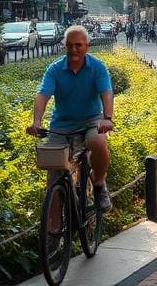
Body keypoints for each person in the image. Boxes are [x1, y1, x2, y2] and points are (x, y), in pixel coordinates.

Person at [27, 26, 115, 210]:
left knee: (98, 142)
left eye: (79, 45)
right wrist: (36, 122)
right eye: (70, 45)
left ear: (87, 46)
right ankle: (52, 234)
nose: (74, 49)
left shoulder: (97, 67)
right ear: (64, 45)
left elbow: (106, 92)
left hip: (91, 120)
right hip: (61, 124)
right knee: (53, 180)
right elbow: (42, 95)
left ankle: (99, 185)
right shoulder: (55, 69)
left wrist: (107, 117)